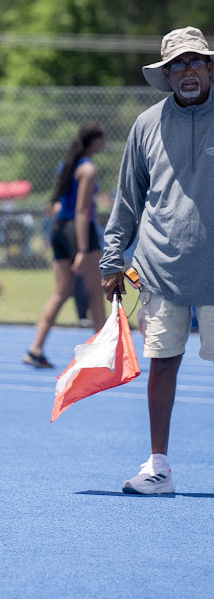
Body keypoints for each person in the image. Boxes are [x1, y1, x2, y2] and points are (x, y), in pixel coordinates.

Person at [100, 26, 214, 495]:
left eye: (195, 62)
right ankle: (159, 467)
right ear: (166, 75)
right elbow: (128, 198)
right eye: (177, 65)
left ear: (209, 67)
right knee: (162, 364)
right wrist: (112, 258)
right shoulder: (146, 124)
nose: (187, 72)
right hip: (160, 267)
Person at [23, 121, 107, 368]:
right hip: (78, 230)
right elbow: (82, 210)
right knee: (96, 291)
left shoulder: (68, 164)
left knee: (62, 291)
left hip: (59, 228)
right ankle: (101, 353)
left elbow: (57, 204)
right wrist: (82, 249)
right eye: (102, 138)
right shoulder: (88, 169)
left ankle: (35, 349)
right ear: (94, 141)